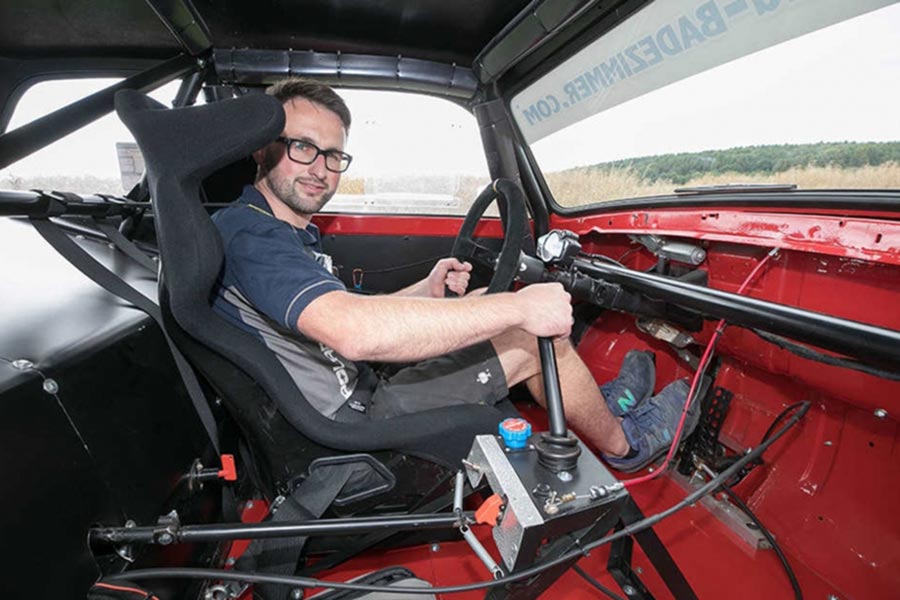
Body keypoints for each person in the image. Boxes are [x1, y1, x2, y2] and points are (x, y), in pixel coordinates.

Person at [211, 78, 697, 472]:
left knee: (484, 301)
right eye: (302, 147)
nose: (320, 169)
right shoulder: (253, 236)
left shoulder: (284, 231)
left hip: (356, 395)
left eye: (333, 155)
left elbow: (336, 316)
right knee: (526, 335)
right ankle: (625, 445)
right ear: (261, 149)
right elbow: (353, 331)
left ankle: (594, 406)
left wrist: (426, 291)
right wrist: (518, 306)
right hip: (352, 431)